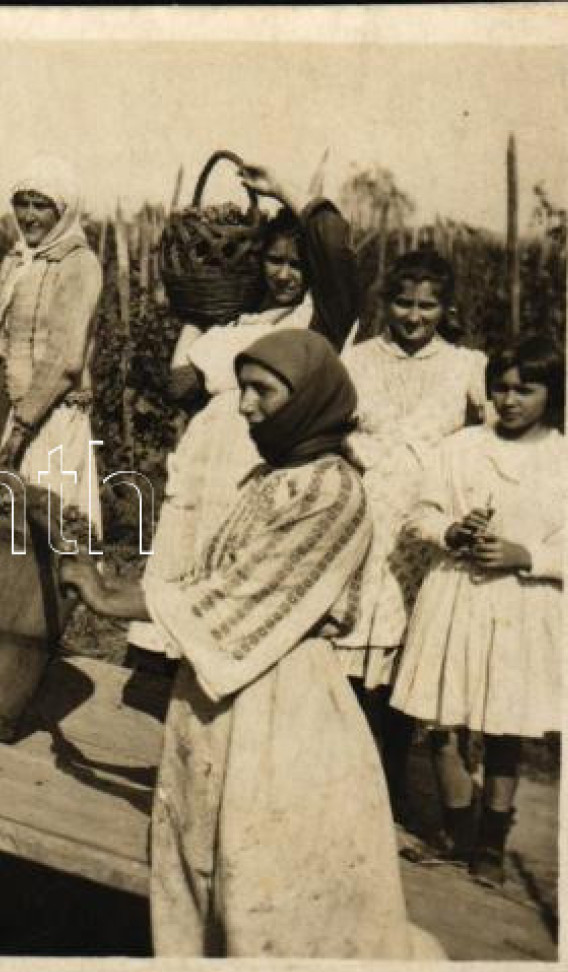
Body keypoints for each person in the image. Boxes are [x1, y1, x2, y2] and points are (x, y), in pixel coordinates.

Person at [61, 329, 441, 959]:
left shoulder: (333, 492)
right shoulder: (269, 476)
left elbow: (246, 594)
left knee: (267, 868)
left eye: (262, 391)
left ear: (310, 398)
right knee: (199, 841)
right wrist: (113, 582)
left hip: (284, 703)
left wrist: (108, 596)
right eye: (244, 390)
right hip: (219, 690)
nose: (245, 405)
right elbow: (211, 579)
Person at [127, 164, 359, 663]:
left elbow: (338, 252)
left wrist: (282, 190)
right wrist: (199, 315)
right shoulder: (241, 318)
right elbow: (179, 382)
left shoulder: (317, 323)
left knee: (237, 582)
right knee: (191, 559)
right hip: (208, 461)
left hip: (260, 465)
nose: (283, 274)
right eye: (274, 261)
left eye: (297, 265)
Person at [389, 340, 564, 887]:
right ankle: (457, 831)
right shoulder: (461, 447)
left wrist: (527, 554)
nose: (508, 401)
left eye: (523, 389)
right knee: (441, 721)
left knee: (505, 727)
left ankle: (490, 843)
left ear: (550, 394)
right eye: (499, 389)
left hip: (519, 604)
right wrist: (451, 530)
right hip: (455, 595)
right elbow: (419, 513)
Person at [336, 250, 488, 818]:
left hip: (426, 525)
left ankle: (394, 781)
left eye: (427, 305)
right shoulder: (357, 359)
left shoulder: (466, 365)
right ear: (386, 302)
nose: (414, 316)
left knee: (408, 653)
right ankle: (352, 780)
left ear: (445, 307)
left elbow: (495, 435)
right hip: (366, 512)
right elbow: (332, 425)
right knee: (352, 649)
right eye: (403, 302)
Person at [0, 155, 103, 539]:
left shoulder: (79, 264)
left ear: (62, 211)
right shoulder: (16, 260)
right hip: (4, 412)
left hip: (47, 418)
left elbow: (65, 358)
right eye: (21, 203)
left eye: (40, 205)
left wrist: (20, 428)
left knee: (44, 522)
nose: (28, 216)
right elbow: (0, 343)